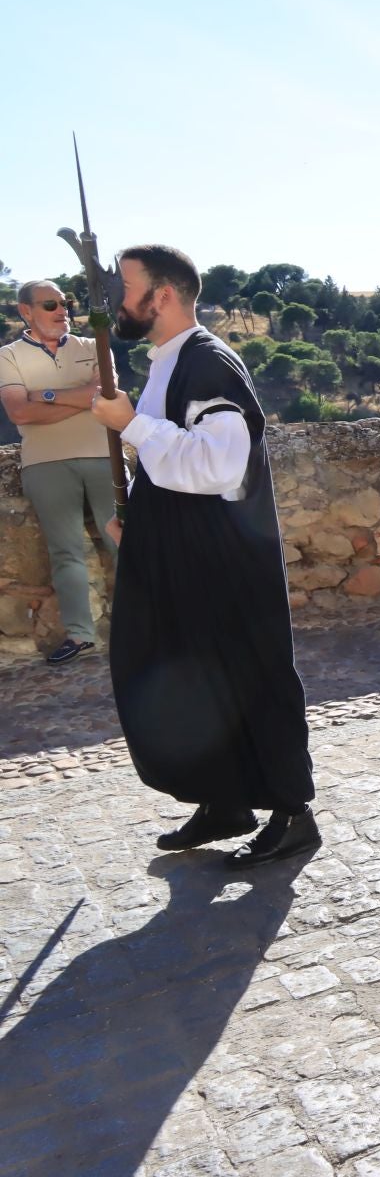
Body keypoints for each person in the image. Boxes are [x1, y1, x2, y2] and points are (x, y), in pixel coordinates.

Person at [88, 245, 318, 867]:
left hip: (224, 563)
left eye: (125, 285)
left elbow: (221, 463)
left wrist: (131, 424)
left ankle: (294, 815)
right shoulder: (169, 362)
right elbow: (174, 456)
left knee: (250, 675)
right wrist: (138, 512)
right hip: (183, 551)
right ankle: (225, 800)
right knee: (195, 679)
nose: (115, 298)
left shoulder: (209, 364)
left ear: (161, 295)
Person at [0, 280, 115, 664]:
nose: (61, 310)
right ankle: (82, 636)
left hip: (106, 456)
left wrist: (47, 395)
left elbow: (108, 395)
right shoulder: (9, 356)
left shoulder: (92, 346)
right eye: (50, 304)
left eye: (64, 303)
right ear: (26, 312)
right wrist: (84, 399)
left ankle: (160, 622)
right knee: (65, 553)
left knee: (128, 542)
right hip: (45, 465)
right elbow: (20, 412)